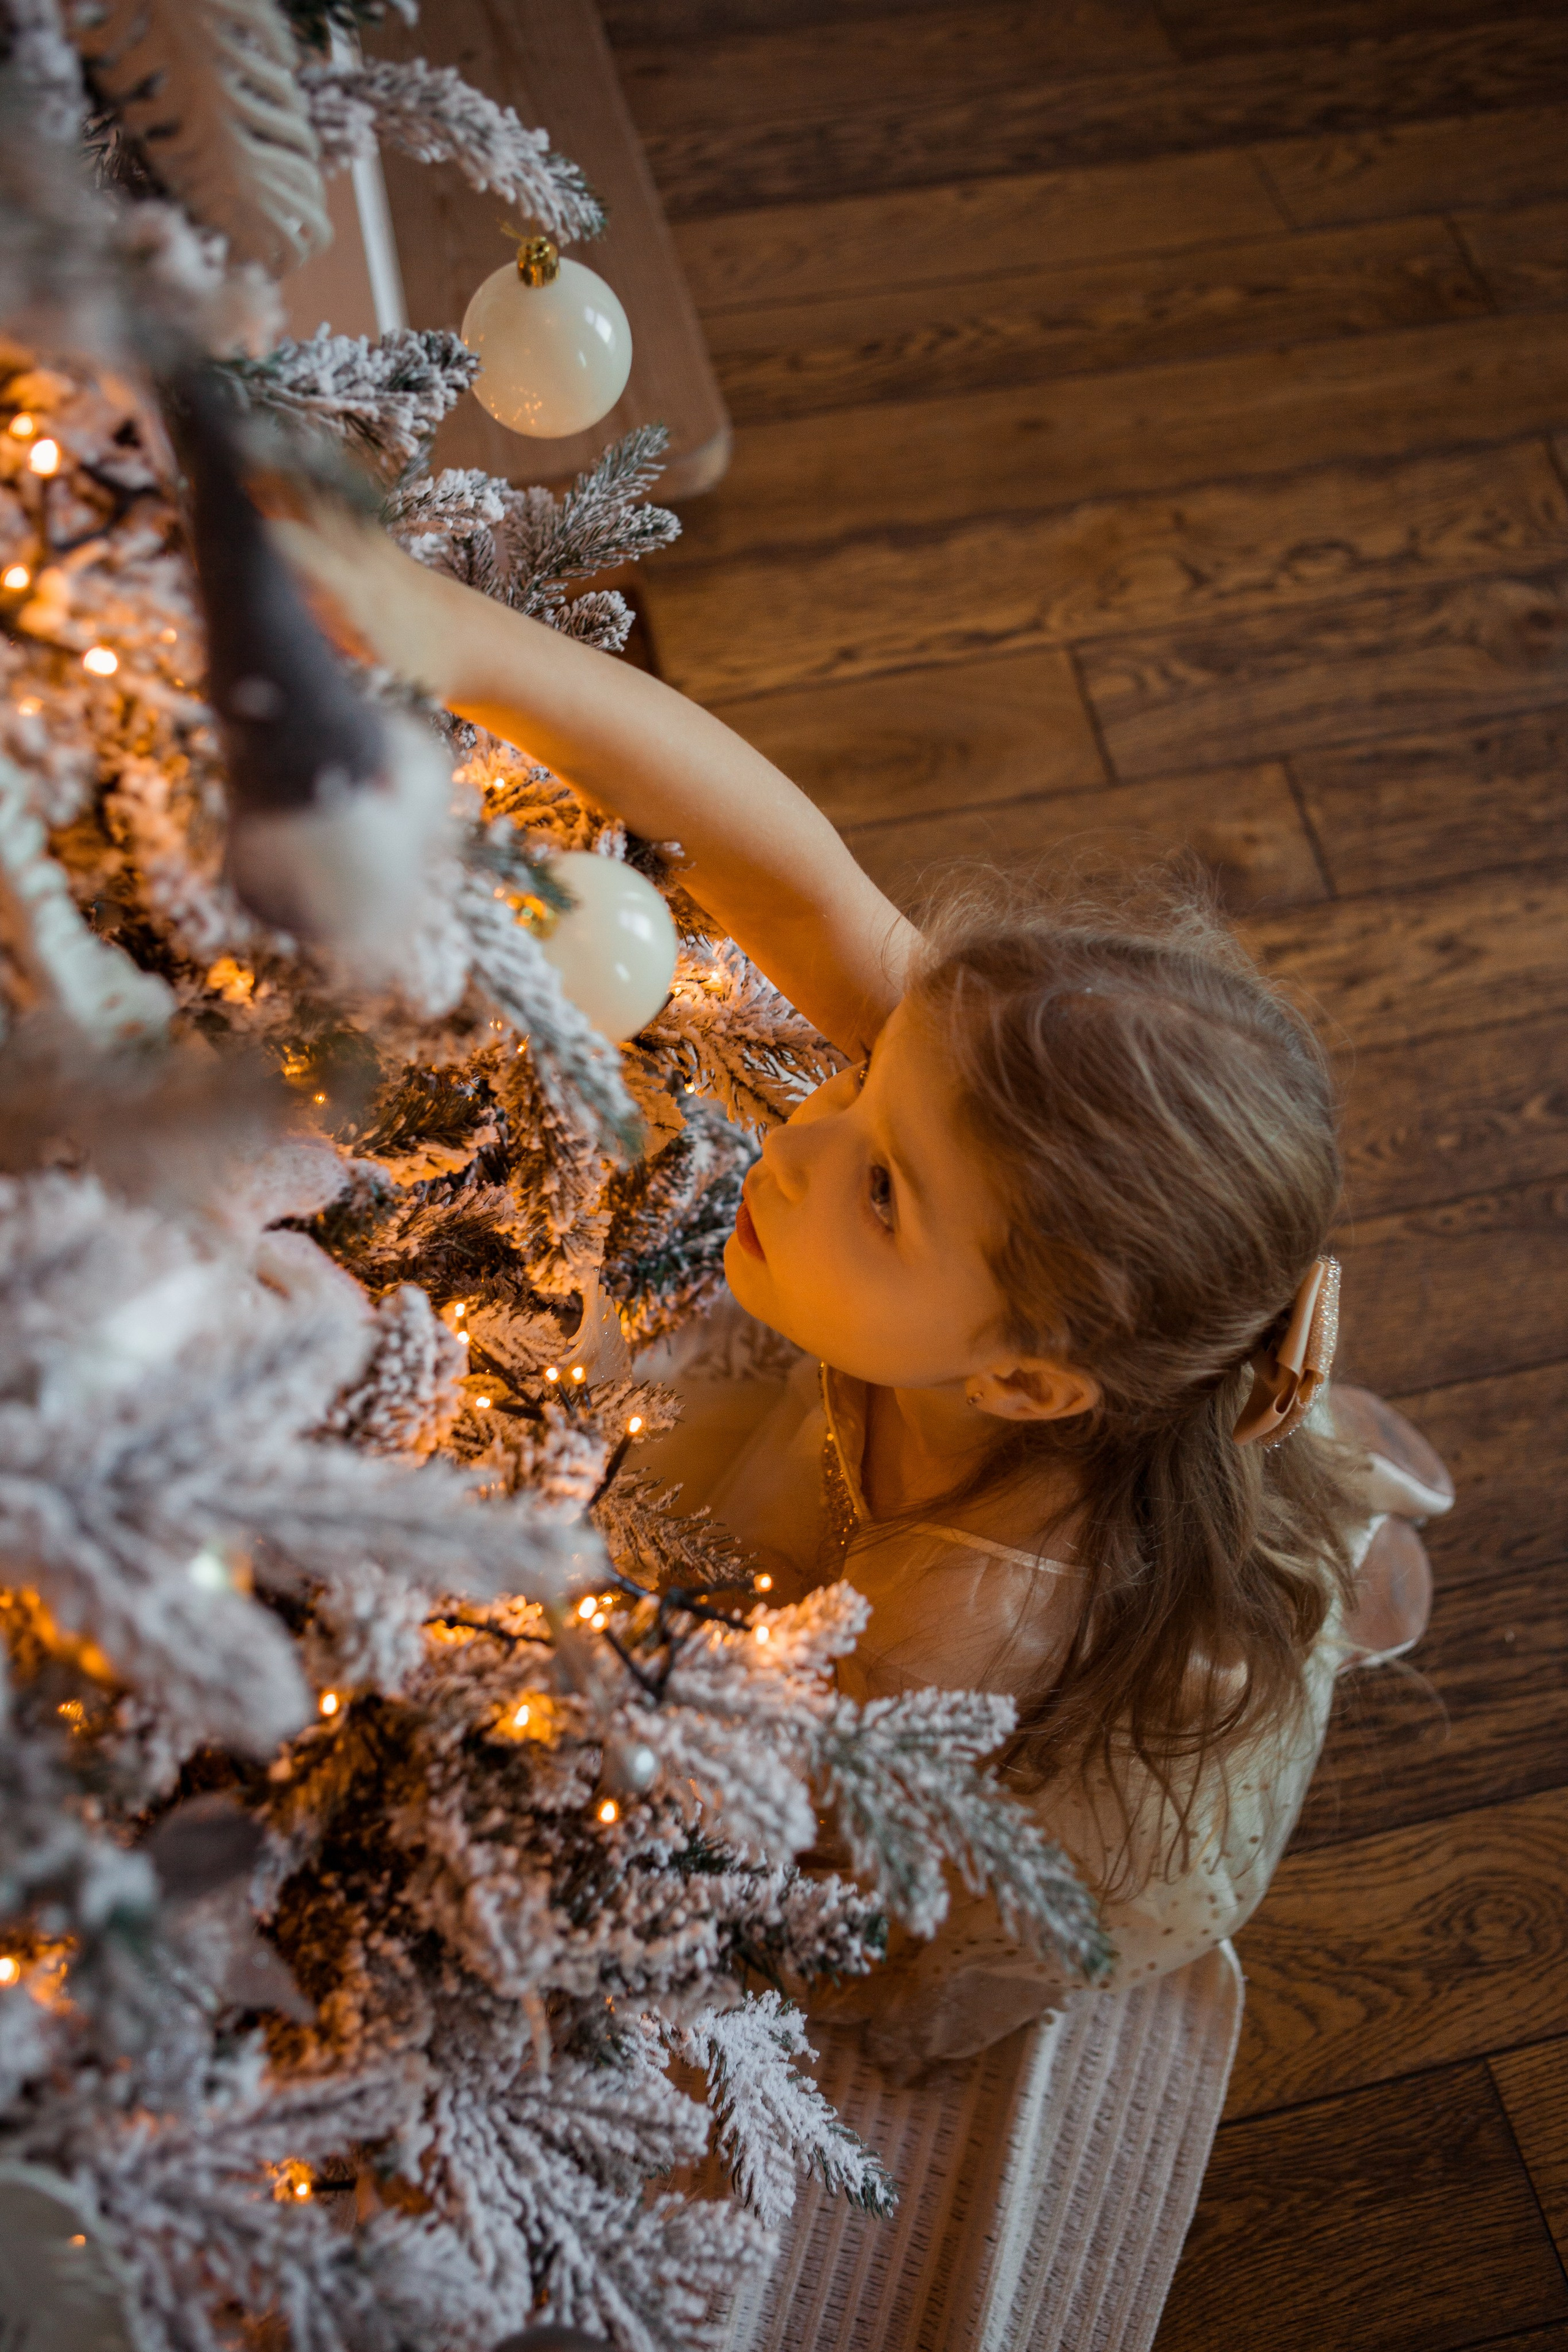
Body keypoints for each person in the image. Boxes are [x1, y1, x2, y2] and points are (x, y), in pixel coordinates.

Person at [275, 502, 1453, 2072]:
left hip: (887, 1753)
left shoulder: (957, 1619)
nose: (802, 1138)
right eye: (861, 1078)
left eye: (882, 1188)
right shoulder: (989, 1146)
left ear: (1021, 1378)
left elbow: (710, 1769)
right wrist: (460, 639)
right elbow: (793, 883)